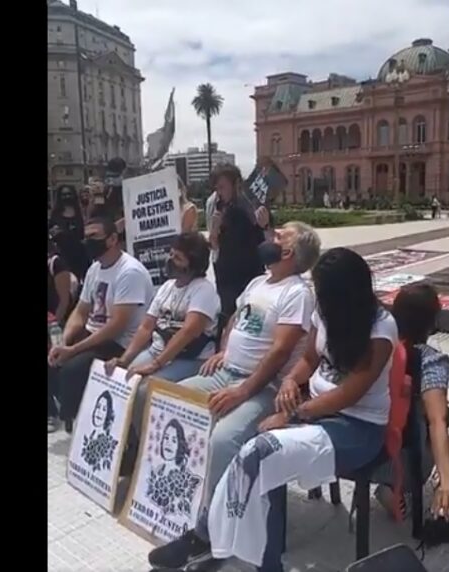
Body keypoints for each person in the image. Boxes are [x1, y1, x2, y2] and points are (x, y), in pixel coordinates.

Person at [147, 222, 321, 571]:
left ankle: (208, 536)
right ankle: (184, 500)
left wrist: (243, 390)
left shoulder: (296, 293)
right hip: (227, 372)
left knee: (225, 440)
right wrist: (224, 350)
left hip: (265, 386)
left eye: (279, 236)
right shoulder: (259, 282)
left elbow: (279, 351)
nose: (271, 237)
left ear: (289, 252)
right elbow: (236, 321)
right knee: (171, 400)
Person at [47, 217, 154, 433]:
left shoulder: (129, 271)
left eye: (94, 236)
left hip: (119, 341)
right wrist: (65, 340)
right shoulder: (95, 269)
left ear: (113, 239)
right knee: (53, 355)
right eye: (86, 237)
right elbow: (81, 310)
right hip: (94, 333)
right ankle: (61, 413)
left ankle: (79, 419)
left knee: (73, 369)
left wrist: (73, 350)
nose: (88, 241)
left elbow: (117, 325)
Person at [372, 283, 449, 521]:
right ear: (433, 320)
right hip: (406, 458)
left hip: (365, 444)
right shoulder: (430, 360)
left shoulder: (378, 346)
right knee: (440, 414)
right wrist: (447, 480)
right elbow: (438, 421)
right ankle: (425, 484)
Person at [106, 232, 219, 382]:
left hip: (190, 358)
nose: (170, 260)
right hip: (156, 351)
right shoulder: (167, 287)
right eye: (171, 254)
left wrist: (155, 365)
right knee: (123, 378)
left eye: (178, 258)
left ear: (193, 265)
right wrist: (124, 360)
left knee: (145, 387)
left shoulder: (204, 290)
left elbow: (188, 332)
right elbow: (146, 327)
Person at [208, 165, 272, 324]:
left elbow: (271, 242)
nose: (220, 193)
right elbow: (214, 246)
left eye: (222, 187)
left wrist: (265, 226)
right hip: (227, 277)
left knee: (250, 319)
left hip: (251, 274)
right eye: (217, 188)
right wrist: (215, 229)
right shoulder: (219, 208)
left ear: (236, 184)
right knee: (228, 317)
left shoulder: (255, 208)